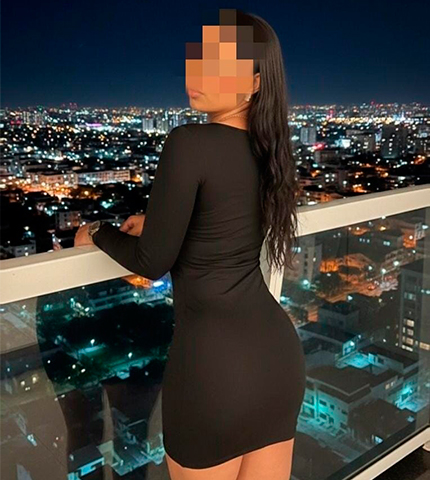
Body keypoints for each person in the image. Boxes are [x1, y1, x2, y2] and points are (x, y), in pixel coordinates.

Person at [75, 8, 306, 480]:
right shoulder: (271, 150)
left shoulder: (189, 142)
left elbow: (151, 261)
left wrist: (95, 232)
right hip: (277, 361)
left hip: (212, 373)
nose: (197, 75)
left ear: (255, 82)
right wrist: (163, 220)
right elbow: (225, 223)